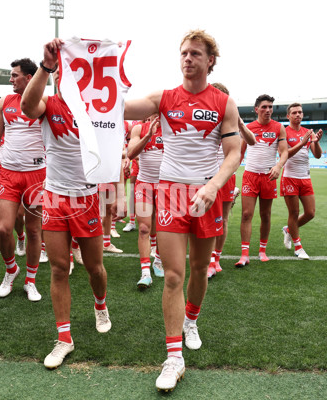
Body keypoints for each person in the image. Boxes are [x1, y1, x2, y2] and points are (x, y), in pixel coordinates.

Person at [124, 30, 242, 392]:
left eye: (195, 53)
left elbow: (235, 152)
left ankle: (192, 319)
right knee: (174, 276)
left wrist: (212, 186)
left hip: (207, 194)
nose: (187, 58)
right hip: (171, 192)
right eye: (183, 53)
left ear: (210, 61)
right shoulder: (164, 97)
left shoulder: (224, 103)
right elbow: (120, 108)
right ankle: (174, 357)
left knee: (199, 269)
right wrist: (90, 79)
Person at [21, 40, 116, 370]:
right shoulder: (50, 103)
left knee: (95, 269)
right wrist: (45, 66)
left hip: (88, 199)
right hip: (55, 197)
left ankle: (100, 304)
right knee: (60, 267)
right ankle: (64, 338)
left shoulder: (99, 110)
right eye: (63, 73)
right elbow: (27, 106)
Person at [0, 58, 44, 302]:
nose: (10, 79)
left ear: (29, 78)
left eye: (15, 75)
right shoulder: (4, 101)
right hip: (8, 172)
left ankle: (31, 280)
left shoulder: (43, 103)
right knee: (4, 228)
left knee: (34, 230)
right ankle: (11, 270)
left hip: (38, 176)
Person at [207, 83, 256, 278]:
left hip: (226, 176)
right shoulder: (205, 116)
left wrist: (241, 123)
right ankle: (208, 259)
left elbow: (252, 141)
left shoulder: (232, 119)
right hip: (206, 175)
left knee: (223, 219)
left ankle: (216, 258)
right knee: (207, 218)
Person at [236, 94, 288, 267]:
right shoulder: (249, 127)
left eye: (271, 107)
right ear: (256, 109)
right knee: (246, 214)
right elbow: (240, 152)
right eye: (264, 107)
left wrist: (278, 166)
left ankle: (262, 250)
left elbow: (284, 152)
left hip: (268, 176)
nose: (268, 110)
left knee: (265, 215)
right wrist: (232, 169)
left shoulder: (279, 127)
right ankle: (244, 254)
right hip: (250, 176)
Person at [126, 114, 165, 288]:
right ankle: (145, 273)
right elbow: (131, 153)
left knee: (163, 226)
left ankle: (158, 260)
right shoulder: (138, 129)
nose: (155, 114)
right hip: (144, 183)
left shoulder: (173, 128)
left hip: (167, 185)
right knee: (143, 228)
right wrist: (148, 135)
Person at [281, 103, 322, 260]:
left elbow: (317, 155)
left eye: (300, 112)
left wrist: (315, 142)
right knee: (294, 213)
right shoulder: (284, 131)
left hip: (305, 177)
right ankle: (298, 247)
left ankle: (288, 230)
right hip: (290, 177)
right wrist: (301, 143)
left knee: (310, 213)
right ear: (288, 116)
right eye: (294, 112)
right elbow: (284, 154)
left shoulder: (307, 132)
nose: (298, 114)